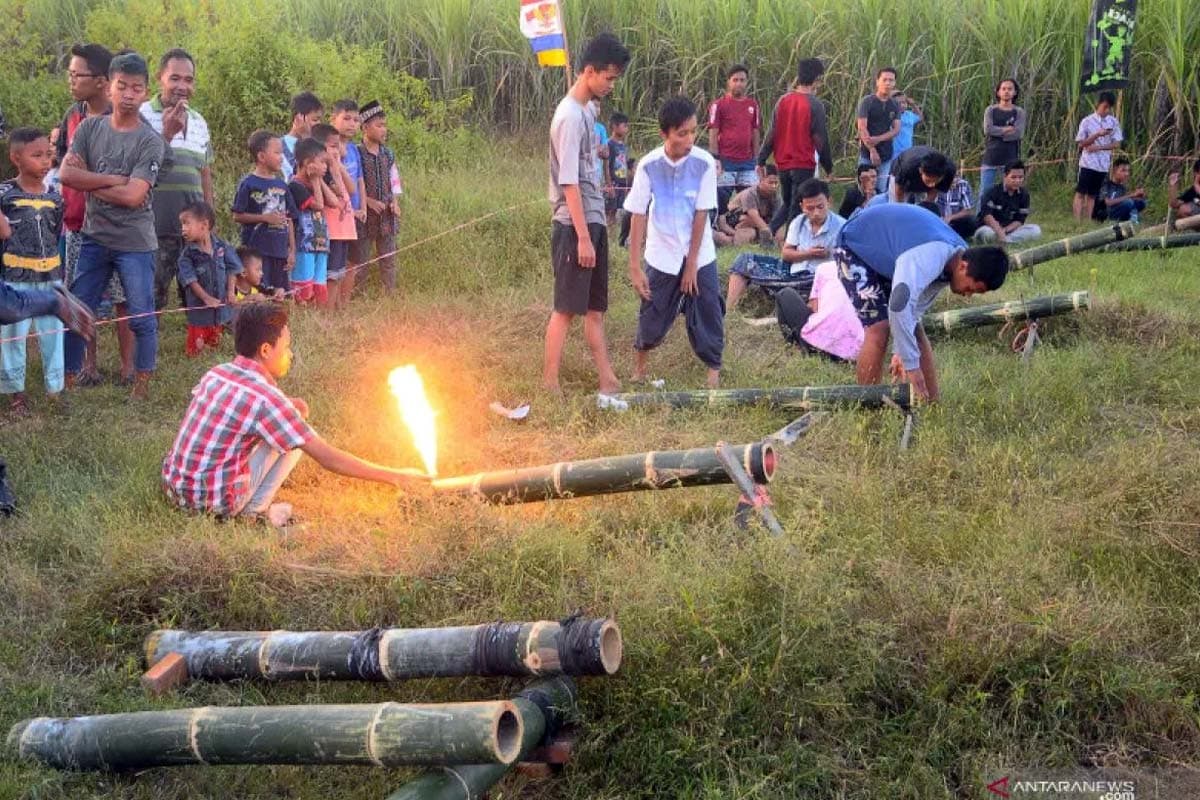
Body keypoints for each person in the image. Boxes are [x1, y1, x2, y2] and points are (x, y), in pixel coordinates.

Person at [161, 302, 429, 527]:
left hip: (176, 488)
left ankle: (246, 507)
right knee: (295, 436)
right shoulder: (267, 400)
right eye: (286, 346)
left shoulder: (218, 373)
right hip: (211, 502)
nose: (290, 354)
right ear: (266, 350)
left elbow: (237, 408)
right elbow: (328, 458)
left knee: (289, 424)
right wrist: (396, 476)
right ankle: (252, 513)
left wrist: (287, 404)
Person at [59, 51, 167, 401]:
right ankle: (68, 382)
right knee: (78, 311)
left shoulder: (150, 140)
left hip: (136, 242)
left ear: (145, 91)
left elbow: (134, 196)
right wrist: (111, 179)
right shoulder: (90, 128)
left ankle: (141, 385)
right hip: (94, 236)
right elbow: (66, 174)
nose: (129, 94)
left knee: (141, 314)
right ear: (110, 88)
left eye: (137, 88)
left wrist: (89, 182)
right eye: (122, 86)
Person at [834, 203, 1010, 401]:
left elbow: (914, 309)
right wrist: (912, 368)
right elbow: (899, 306)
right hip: (855, 245)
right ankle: (867, 402)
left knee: (916, 329)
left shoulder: (955, 259)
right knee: (879, 327)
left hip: (887, 255)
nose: (968, 295)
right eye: (971, 288)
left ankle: (930, 401)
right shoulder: (931, 257)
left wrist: (900, 351)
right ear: (963, 267)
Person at [542, 32, 630, 396]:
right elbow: (569, 182)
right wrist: (581, 237)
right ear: (589, 71)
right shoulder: (568, 117)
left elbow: (587, 163)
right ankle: (549, 382)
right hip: (573, 225)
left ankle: (607, 379)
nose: (611, 85)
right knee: (565, 308)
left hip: (593, 219)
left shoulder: (586, 112)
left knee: (595, 309)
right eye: (608, 78)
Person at [625, 96, 722, 389]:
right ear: (664, 134)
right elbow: (638, 214)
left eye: (693, 131)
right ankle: (639, 371)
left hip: (700, 253)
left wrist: (692, 265)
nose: (690, 140)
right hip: (662, 252)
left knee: (708, 310)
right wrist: (634, 267)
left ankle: (713, 376)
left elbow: (701, 213)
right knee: (652, 311)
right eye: (682, 133)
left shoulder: (704, 163)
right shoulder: (648, 165)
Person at [56, 42, 133, 386]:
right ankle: (88, 365)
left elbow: (127, 175)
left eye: (78, 75)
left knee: (123, 297)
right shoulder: (72, 115)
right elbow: (65, 167)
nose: (71, 80)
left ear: (102, 81)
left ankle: (129, 367)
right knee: (81, 295)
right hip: (78, 223)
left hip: (117, 224)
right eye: (70, 73)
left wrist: (87, 175)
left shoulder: (124, 119)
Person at [140, 48, 214, 311]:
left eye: (188, 80)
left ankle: (200, 335)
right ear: (160, 77)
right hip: (154, 227)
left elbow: (204, 171)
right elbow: (138, 169)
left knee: (199, 293)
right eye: (175, 78)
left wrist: (209, 217)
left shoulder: (199, 121)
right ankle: (149, 337)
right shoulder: (142, 115)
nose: (182, 86)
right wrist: (167, 134)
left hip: (194, 229)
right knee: (152, 296)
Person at [0, 128, 66, 414]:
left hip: (50, 279)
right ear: (16, 158)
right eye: (36, 155)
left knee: (54, 333)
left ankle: (55, 390)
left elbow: (56, 232)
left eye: (48, 155)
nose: (45, 162)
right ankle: (16, 394)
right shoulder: (5, 194)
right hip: (15, 280)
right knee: (13, 337)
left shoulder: (55, 196)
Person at [726, 179, 844, 309]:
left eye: (820, 207)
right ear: (802, 207)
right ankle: (729, 310)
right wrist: (808, 254)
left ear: (829, 202)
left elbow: (847, 264)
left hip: (820, 279)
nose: (816, 213)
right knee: (745, 260)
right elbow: (786, 254)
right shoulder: (798, 222)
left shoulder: (842, 227)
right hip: (793, 273)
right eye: (810, 208)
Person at [756, 58, 832, 235]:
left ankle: (769, 230)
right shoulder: (815, 105)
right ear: (817, 78)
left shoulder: (783, 101)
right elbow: (820, 139)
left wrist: (762, 158)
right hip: (803, 162)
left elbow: (771, 133)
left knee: (789, 201)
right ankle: (790, 241)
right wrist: (828, 166)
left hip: (783, 163)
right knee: (797, 206)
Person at [231, 130, 297, 295]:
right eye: (277, 153)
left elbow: (289, 218)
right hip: (258, 252)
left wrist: (292, 250)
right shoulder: (248, 183)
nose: (281, 157)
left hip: (280, 251)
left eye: (282, 153)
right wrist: (264, 218)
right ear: (261, 156)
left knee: (281, 294)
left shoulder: (282, 185)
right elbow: (237, 215)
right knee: (262, 292)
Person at [176, 201, 240, 356]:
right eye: (182, 224)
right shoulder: (186, 256)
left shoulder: (222, 247)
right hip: (199, 315)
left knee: (215, 347)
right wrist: (206, 298)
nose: (183, 228)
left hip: (219, 311)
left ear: (204, 225)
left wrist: (231, 292)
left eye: (187, 223)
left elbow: (233, 268)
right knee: (196, 351)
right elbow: (190, 281)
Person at [357, 101, 400, 293]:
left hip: (386, 216)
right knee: (361, 260)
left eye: (385, 125)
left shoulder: (387, 154)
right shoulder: (357, 153)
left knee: (388, 257)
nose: (384, 130)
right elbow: (352, 184)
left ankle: (390, 293)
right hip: (364, 216)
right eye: (379, 125)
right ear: (365, 127)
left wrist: (395, 203)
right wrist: (367, 201)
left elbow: (394, 180)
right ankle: (358, 295)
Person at [288, 137, 337, 304]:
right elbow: (319, 206)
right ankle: (302, 315)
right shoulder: (295, 186)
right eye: (322, 162)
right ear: (308, 162)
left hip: (320, 244)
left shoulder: (316, 184)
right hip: (304, 245)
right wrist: (316, 180)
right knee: (303, 289)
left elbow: (334, 202)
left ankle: (317, 316)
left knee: (318, 287)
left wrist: (319, 180)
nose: (325, 167)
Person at [313, 122, 355, 309]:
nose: (338, 150)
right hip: (332, 230)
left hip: (344, 230)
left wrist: (338, 166)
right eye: (333, 146)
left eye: (338, 146)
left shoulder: (335, 168)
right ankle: (326, 313)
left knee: (338, 273)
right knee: (330, 274)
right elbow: (337, 194)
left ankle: (334, 311)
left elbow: (351, 189)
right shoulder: (323, 173)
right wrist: (334, 169)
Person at [708, 64, 762, 212]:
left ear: (747, 82)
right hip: (726, 161)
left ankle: (742, 223)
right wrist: (715, 159)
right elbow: (713, 133)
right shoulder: (718, 105)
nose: (739, 83)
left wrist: (757, 159)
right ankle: (719, 223)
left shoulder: (753, 105)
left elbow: (755, 132)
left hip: (747, 162)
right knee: (721, 201)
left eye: (742, 80)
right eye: (735, 80)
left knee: (751, 202)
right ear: (728, 81)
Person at [330, 99, 366, 301]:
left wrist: (363, 207)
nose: (352, 124)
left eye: (356, 120)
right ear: (333, 119)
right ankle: (332, 306)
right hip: (339, 215)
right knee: (336, 264)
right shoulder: (329, 149)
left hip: (356, 214)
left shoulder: (353, 149)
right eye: (346, 118)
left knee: (353, 261)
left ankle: (344, 305)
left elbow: (359, 180)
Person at [1073, 90, 1122, 222]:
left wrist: (1099, 147)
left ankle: (1088, 220)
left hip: (1103, 164)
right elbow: (1081, 143)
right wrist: (1096, 135)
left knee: (1092, 195)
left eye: (1109, 108)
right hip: (1088, 163)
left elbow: (1116, 143)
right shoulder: (1087, 121)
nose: (1107, 110)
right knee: (1081, 192)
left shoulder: (1113, 122)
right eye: (1104, 107)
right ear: (1098, 104)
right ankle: (1076, 221)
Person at [979, 78, 1026, 206]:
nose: (1006, 92)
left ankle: (1007, 215)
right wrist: (1006, 130)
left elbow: (1018, 133)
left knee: (1009, 191)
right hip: (991, 157)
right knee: (985, 191)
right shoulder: (991, 110)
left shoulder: (1019, 112)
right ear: (998, 92)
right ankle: (981, 216)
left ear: (1015, 92)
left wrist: (998, 132)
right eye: (1003, 89)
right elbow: (988, 130)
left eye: (1010, 89)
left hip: (1010, 158)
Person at [856, 68, 901, 192]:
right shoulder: (867, 102)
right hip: (867, 153)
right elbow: (862, 127)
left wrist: (878, 139)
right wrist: (872, 149)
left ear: (894, 83)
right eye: (884, 80)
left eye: (891, 80)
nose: (887, 83)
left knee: (881, 189)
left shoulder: (895, 104)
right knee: (864, 189)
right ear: (877, 82)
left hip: (886, 154)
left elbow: (896, 129)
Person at [975, 160, 1041, 243]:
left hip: (1008, 230)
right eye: (1013, 177)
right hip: (989, 228)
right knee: (987, 233)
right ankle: (1003, 239)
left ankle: (1006, 240)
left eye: (1020, 177)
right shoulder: (992, 192)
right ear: (1005, 176)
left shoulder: (1024, 195)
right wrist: (999, 231)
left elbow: (1020, 220)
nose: (1017, 181)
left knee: (1035, 230)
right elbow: (987, 216)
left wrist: (1005, 230)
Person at [714, 165, 780, 246]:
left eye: (776, 183)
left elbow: (776, 219)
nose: (773, 186)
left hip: (755, 223)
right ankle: (730, 239)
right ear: (761, 180)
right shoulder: (750, 194)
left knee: (780, 233)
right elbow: (754, 216)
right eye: (770, 183)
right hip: (732, 221)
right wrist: (768, 232)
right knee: (749, 223)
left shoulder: (775, 196)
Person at [886, 145, 957, 204]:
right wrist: (901, 208)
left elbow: (934, 192)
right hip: (902, 173)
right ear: (921, 171)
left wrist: (926, 206)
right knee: (896, 207)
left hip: (919, 179)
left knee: (925, 208)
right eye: (928, 180)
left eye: (936, 181)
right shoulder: (907, 166)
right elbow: (899, 190)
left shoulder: (949, 170)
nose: (932, 185)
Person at [280, 92, 323, 182]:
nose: (318, 124)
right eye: (315, 120)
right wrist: (305, 136)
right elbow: (298, 172)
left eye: (320, 119)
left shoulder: (319, 143)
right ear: (298, 118)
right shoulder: (280, 146)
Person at [1096, 157, 1146, 223]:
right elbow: (1107, 203)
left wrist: (1138, 196)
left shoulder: (1122, 187)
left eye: (1128, 171)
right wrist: (1131, 195)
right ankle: (1131, 220)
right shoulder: (1106, 184)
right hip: (1105, 213)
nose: (1127, 174)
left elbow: (1123, 200)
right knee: (1128, 202)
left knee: (1140, 202)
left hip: (1118, 211)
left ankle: (1131, 219)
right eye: (1123, 170)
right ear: (1115, 170)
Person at [604, 111, 631, 225]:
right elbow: (606, 165)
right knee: (609, 212)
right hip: (613, 183)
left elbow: (626, 165)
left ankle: (614, 233)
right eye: (624, 126)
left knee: (617, 212)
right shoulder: (609, 144)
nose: (626, 129)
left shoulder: (624, 146)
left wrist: (627, 184)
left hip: (622, 183)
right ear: (615, 126)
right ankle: (607, 233)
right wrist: (609, 184)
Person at [937, 173, 978, 239]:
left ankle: (962, 236)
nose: (955, 180)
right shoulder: (937, 184)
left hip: (957, 220)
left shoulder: (964, 185)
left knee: (972, 221)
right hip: (940, 220)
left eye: (956, 177)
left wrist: (950, 218)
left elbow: (968, 210)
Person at [892, 91, 923, 157]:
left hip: (908, 151)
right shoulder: (890, 115)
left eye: (904, 102)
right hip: (893, 152)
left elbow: (920, 117)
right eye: (898, 103)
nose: (902, 105)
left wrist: (913, 105)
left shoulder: (909, 115)